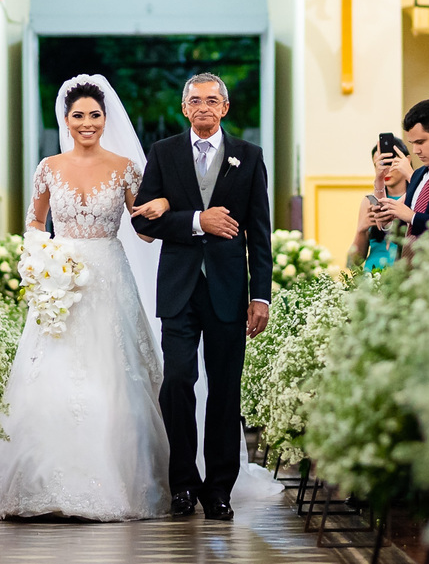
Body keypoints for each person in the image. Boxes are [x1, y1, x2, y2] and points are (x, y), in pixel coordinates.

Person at [0, 76, 170, 520]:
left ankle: (111, 482)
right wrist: (42, 263)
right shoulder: (49, 167)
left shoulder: (124, 167)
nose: (87, 123)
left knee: (111, 376)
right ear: (66, 119)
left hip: (109, 278)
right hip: (59, 282)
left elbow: (143, 229)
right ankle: (42, 484)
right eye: (78, 115)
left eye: (95, 115)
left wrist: (159, 209)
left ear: (106, 119)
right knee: (52, 375)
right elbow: (34, 224)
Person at [130, 73, 273, 522]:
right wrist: (196, 220)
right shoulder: (164, 153)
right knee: (177, 385)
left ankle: (219, 491)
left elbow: (260, 235)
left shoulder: (250, 157)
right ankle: (183, 485)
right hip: (179, 290)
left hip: (230, 292)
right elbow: (144, 222)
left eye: (213, 100)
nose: (204, 107)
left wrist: (261, 297)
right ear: (184, 107)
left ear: (225, 108)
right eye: (196, 101)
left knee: (225, 391)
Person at [374, 99, 429, 240]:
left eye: (420, 142)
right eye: (412, 143)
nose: (415, 150)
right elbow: (403, 228)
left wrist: (413, 217)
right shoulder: (419, 174)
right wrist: (387, 217)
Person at [349, 138, 410, 271]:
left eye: (389, 163)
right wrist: (361, 229)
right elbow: (353, 263)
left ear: (406, 161)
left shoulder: (415, 196)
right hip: (372, 275)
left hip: (403, 275)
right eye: (380, 164)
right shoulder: (369, 201)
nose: (385, 170)